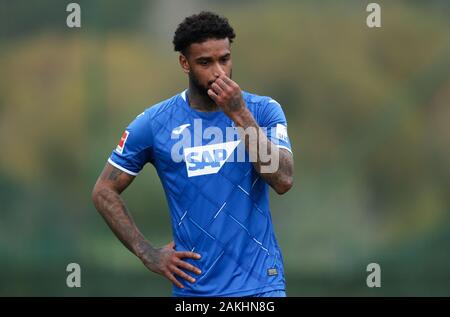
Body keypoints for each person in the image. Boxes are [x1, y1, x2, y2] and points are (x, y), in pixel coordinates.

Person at [92, 11, 294, 297]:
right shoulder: (154, 124)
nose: (218, 72)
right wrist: (147, 253)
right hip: (195, 292)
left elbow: (283, 179)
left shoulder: (262, 111)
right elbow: (103, 191)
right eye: (205, 62)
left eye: (224, 59)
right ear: (184, 63)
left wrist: (239, 113)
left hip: (261, 287)